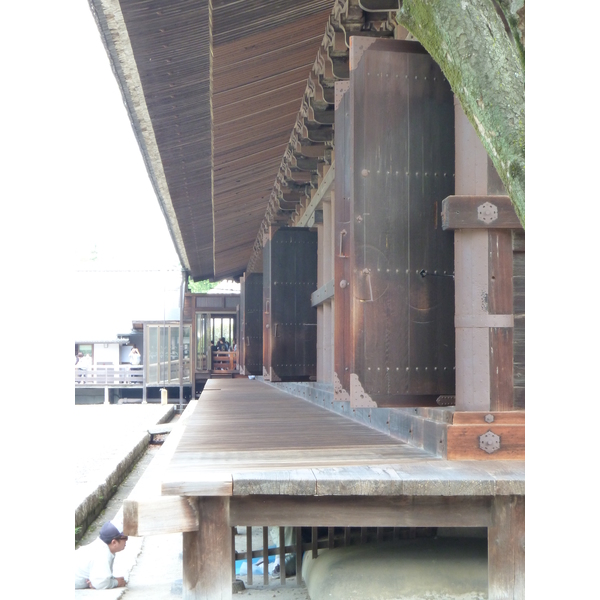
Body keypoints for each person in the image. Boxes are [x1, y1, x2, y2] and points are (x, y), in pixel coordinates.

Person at [75, 521, 128, 589]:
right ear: (114, 542)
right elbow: (100, 583)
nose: (126, 541)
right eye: (125, 538)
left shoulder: (103, 547)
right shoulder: (102, 554)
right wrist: (117, 582)